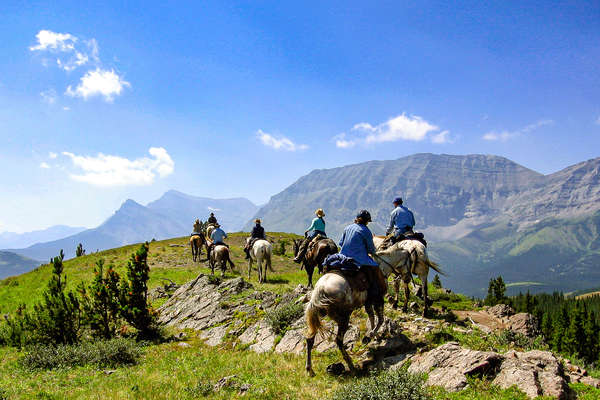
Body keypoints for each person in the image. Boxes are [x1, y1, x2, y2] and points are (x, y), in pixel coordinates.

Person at [338, 210, 384, 306]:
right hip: (358, 260)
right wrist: (372, 252)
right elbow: (371, 249)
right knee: (375, 269)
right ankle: (376, 295)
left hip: (342, 257)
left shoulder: (347, 227)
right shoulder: (366, 231)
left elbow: (341, 243)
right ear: (367, 221)